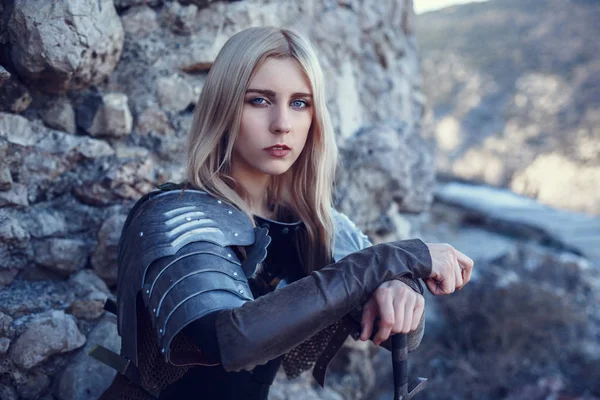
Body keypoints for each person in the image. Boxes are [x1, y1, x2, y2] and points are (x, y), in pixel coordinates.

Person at [95, 26, 474, 400]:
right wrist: (397, 257)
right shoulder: (173, 214)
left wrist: (400, 288)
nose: (282, 124)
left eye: (299, 103)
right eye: (259, 100)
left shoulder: (316, 223)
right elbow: (231, 341)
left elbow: (401, 336)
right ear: (224, 106)